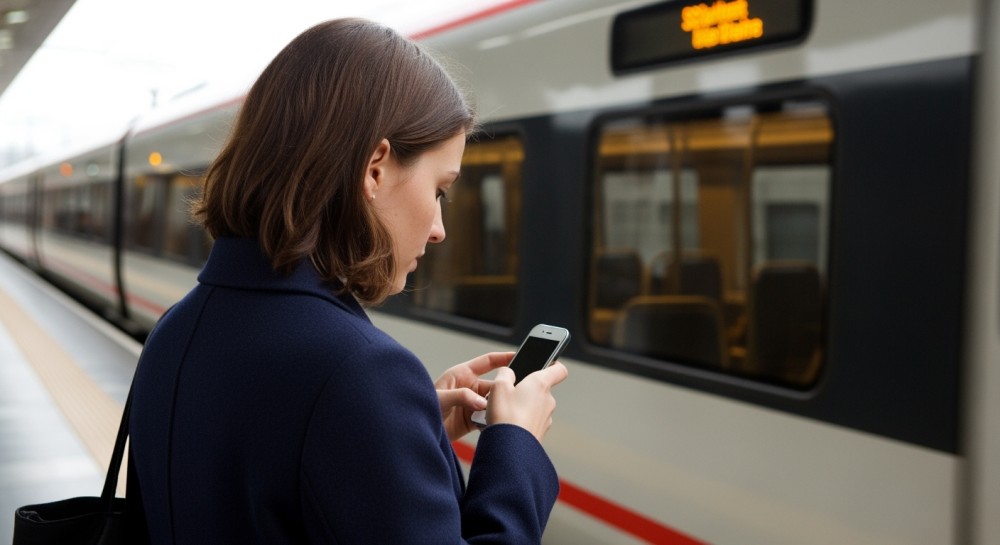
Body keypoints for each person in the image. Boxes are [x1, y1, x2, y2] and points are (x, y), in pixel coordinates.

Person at [129, 18, 568, 545]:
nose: (439, 230)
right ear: (375, 168)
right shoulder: (360, 372)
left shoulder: (175, 330)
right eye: (440, 191)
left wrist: (407, 428)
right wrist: (514, 445)